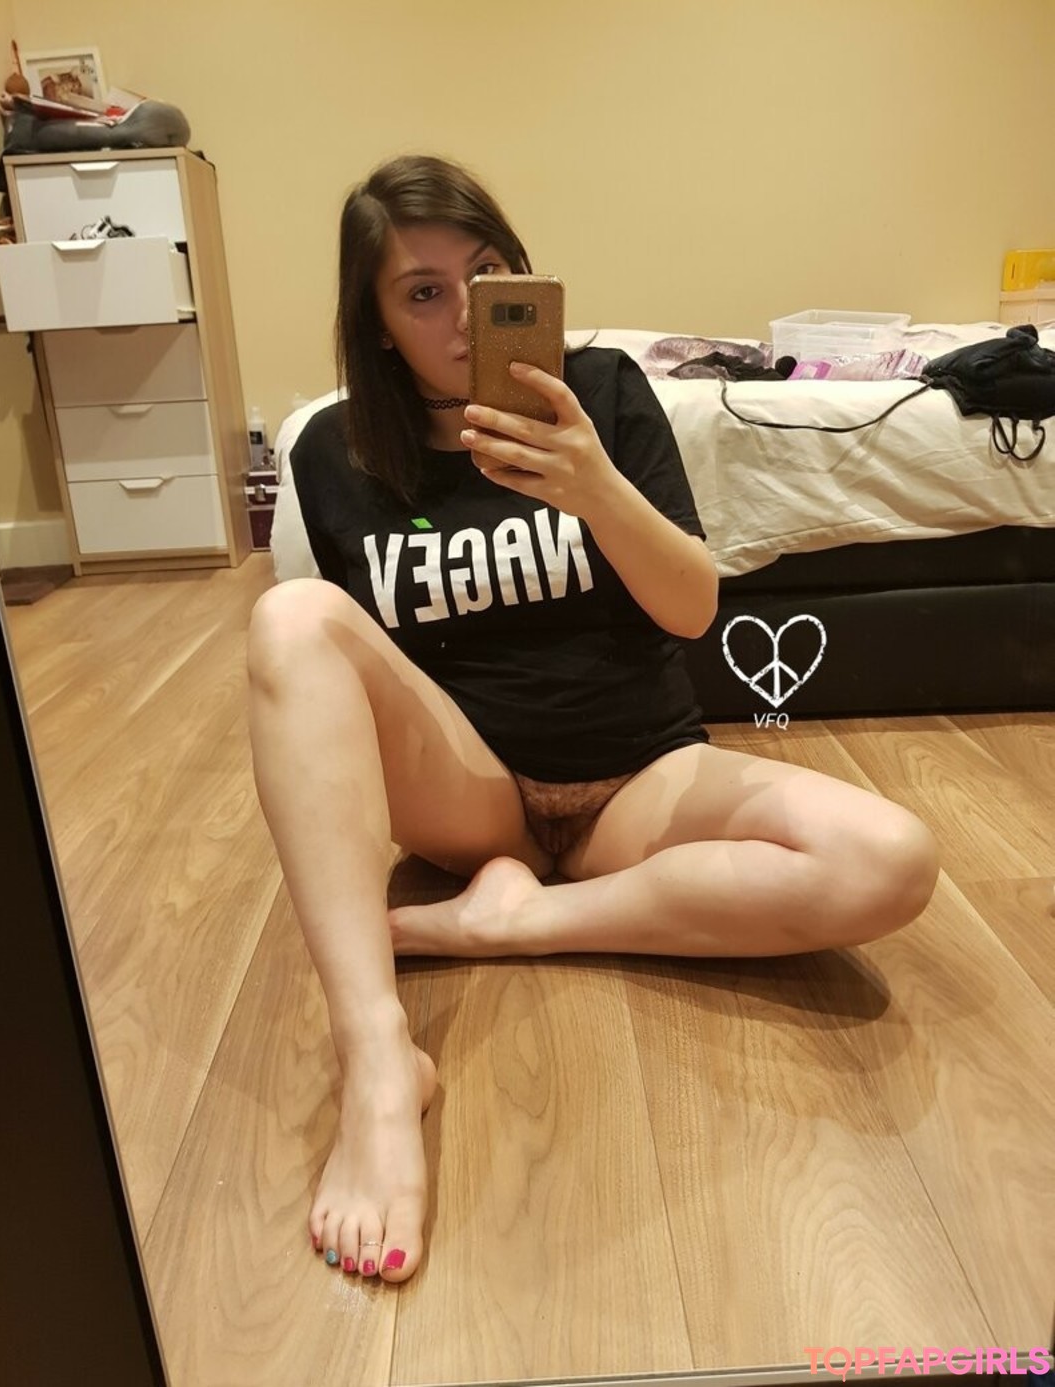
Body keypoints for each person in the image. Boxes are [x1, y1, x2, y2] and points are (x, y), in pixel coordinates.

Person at [246, 154, 940, 1288]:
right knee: (289, 619)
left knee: (890, 859)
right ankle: (378, 1063)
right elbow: (358, 683)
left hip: (639, 777)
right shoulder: (338, 453)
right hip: (472, 795)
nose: (464, 314)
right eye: (423, 292)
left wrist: (592, 485)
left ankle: (514, 924)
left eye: (488, 275)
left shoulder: (607, 394)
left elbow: (693, 609)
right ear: (376, 324)